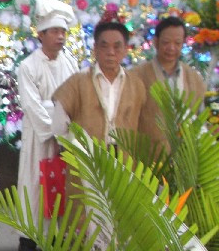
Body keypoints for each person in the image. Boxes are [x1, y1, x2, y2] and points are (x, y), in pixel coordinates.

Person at [15, 0, 79, 251]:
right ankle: (27, 239)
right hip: (40, 136)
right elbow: (32, 105)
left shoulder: (70, 62)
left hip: (65, 134)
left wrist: (67, 131)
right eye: (55, 31)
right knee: (35, 182)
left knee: (62, 184)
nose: (60, 37)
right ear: (41, 34)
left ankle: (57, 237)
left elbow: (75, 96)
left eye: (63, 31)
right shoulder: (28, 66)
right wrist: (54, 130)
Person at [52, 20, 147, 147]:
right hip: (88, 160)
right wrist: (78, 150)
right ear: (95, 48)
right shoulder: (76, 82)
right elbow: (59, 127)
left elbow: (143, 125)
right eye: (104, 46)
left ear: (125, 50)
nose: (111, 52)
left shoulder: (136, 85)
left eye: (117, 46)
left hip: (125, 160)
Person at [129, 16, 207, 157]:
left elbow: (201, 120)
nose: (171, 48)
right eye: (166, 42)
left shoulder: (194, 79)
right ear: (156, 42)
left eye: (177, 43)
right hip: (148, 158)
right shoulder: (136, 76)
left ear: (183, 44)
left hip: (186, 160)